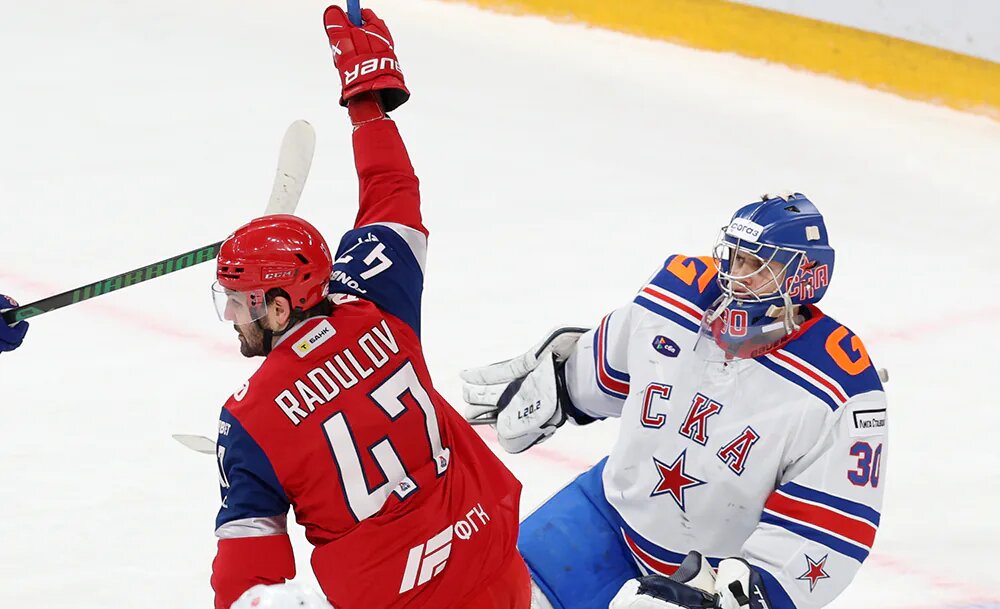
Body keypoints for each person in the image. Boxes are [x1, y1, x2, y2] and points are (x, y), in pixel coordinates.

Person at [207, 7, 529, 609]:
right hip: (494, 565)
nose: (232, 318)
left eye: (241, 303)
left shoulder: (249, 421)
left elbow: (247, 579)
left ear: (278, 308)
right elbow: (392, 191)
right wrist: (367, 107)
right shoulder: (377, 299)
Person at [462, 193, 887, 609]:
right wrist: (562, 383)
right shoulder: (678, 296)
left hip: (704, 578)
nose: (735, 276)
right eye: (734, 257)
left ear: (804, 276)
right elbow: (607, 372)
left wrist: (746, 596)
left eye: (756, 265)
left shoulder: (841, 387)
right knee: (488, 590)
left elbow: (830, 534)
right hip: (603, 516)